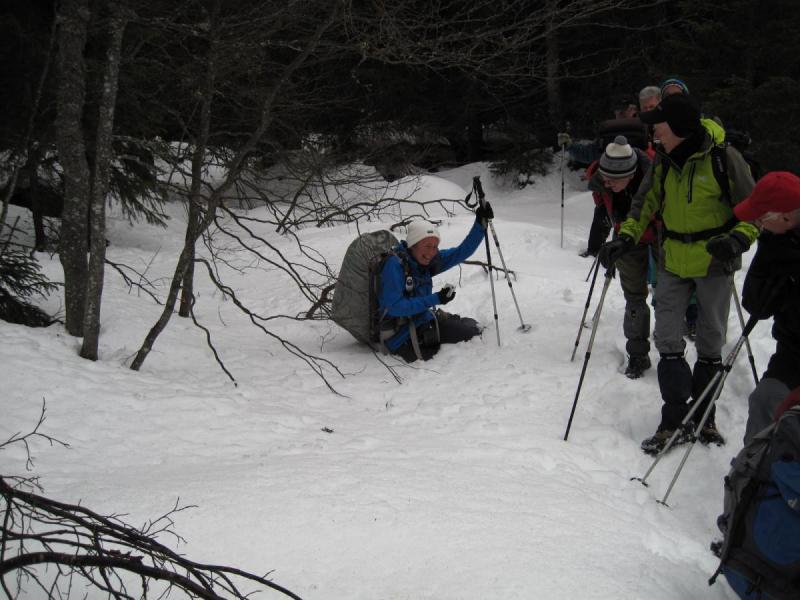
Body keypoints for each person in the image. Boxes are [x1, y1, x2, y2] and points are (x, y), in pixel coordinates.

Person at [599, 93, 760, 454]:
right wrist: (625, 237)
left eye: (658, 125)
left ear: (679, 127)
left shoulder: (724, 158)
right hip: (672, 259)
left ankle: (704, 417)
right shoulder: (664, 160)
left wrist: (738, 238)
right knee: (668, 339)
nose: (653, 131)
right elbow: (643, 204)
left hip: (714, 262)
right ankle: (673, 421)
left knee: (710, 342)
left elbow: (753, 211)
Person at [731, 171, 800, 444]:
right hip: (792, 352)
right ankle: (754, 466)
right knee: (765, 400)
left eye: (761, 219)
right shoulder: (778, 241)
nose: (757, 223)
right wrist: (769, 250)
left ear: (785, 218)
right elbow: (757, 306)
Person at [378, 205, 492, 362]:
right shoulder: (395, 266)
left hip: (420, 319)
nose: (432, 252)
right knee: (473, 332)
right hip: (401, 334)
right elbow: (394, 307)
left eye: (435, 247)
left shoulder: (426, 260)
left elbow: (461, 252)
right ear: (412, 244)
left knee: (472, 325)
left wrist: (480, 224)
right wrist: (436, 298)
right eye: (427, 246)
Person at [589, 135, 654, 378]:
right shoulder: (602, 181)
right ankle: (637, 354)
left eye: (613, 180)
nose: (607, 183)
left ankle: (672, 349)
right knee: (634, 296)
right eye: (604, 178)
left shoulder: (654, 176)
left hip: (660, 236)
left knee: (667, 294)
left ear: (631, 173)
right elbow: (602, 203)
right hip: (624, 241)